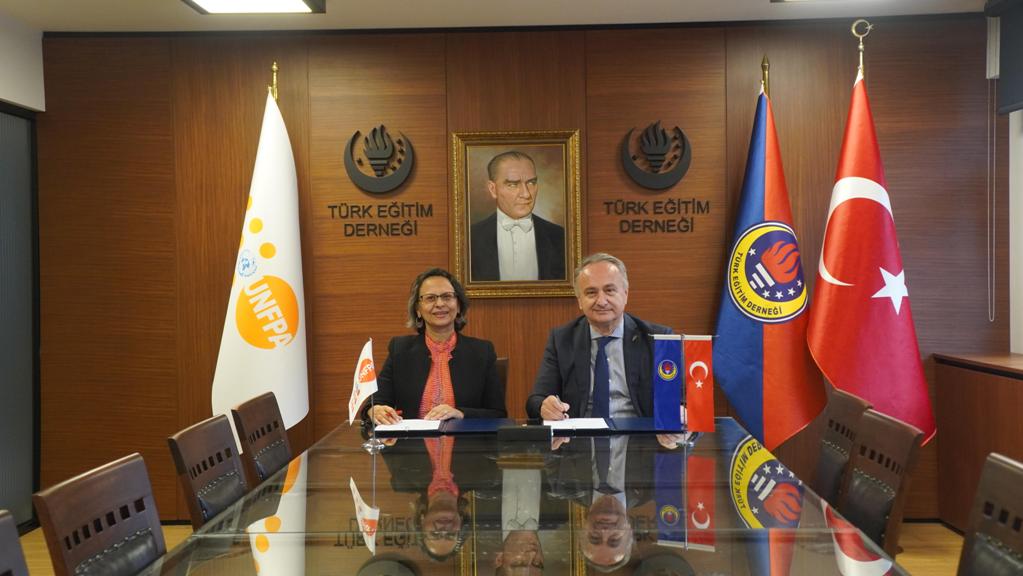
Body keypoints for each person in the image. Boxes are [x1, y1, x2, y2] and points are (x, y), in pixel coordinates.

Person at [526, 253, 671, 420]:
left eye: (609, 290)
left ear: (625, 294)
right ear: (579, 300)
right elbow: (536, 400)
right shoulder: (561, 340)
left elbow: (679, 397)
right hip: (580, 433)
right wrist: (544, 407)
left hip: (640, 432)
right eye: (591, 293)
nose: (601, 301)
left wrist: (679, 410)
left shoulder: (658, 339)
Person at [369, 268, 506, 425]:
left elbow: (498, 414)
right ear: (418, 309)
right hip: (412, 439)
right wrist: (375, 410)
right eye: (430, 298)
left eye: (447, 297)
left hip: (463, 438)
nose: (440, 304)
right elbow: (376, 402)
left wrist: (460, 413)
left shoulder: (482, 352)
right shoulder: (400, 349)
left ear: (458, 306)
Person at [470, 151, 566, 282]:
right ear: (493, 189)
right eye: (513, 185)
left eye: (531, 183)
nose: (526, 194)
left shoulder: (561, 237)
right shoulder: (470, 238)